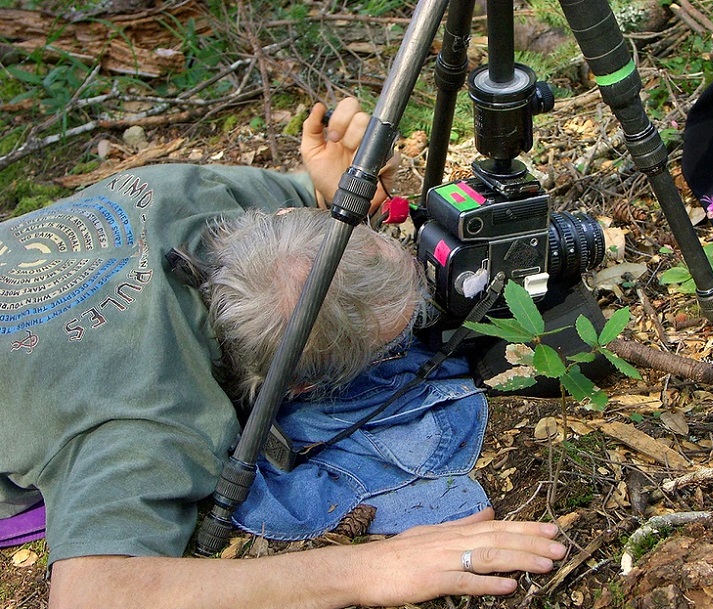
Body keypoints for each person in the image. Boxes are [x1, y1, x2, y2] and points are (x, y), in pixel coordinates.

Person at [0, 97, 567, 608]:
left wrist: (330, 189)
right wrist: (364, 570)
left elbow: (312, 234)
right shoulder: (149, 421)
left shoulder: (189, 197)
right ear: (297, 390)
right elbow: (92, 595)